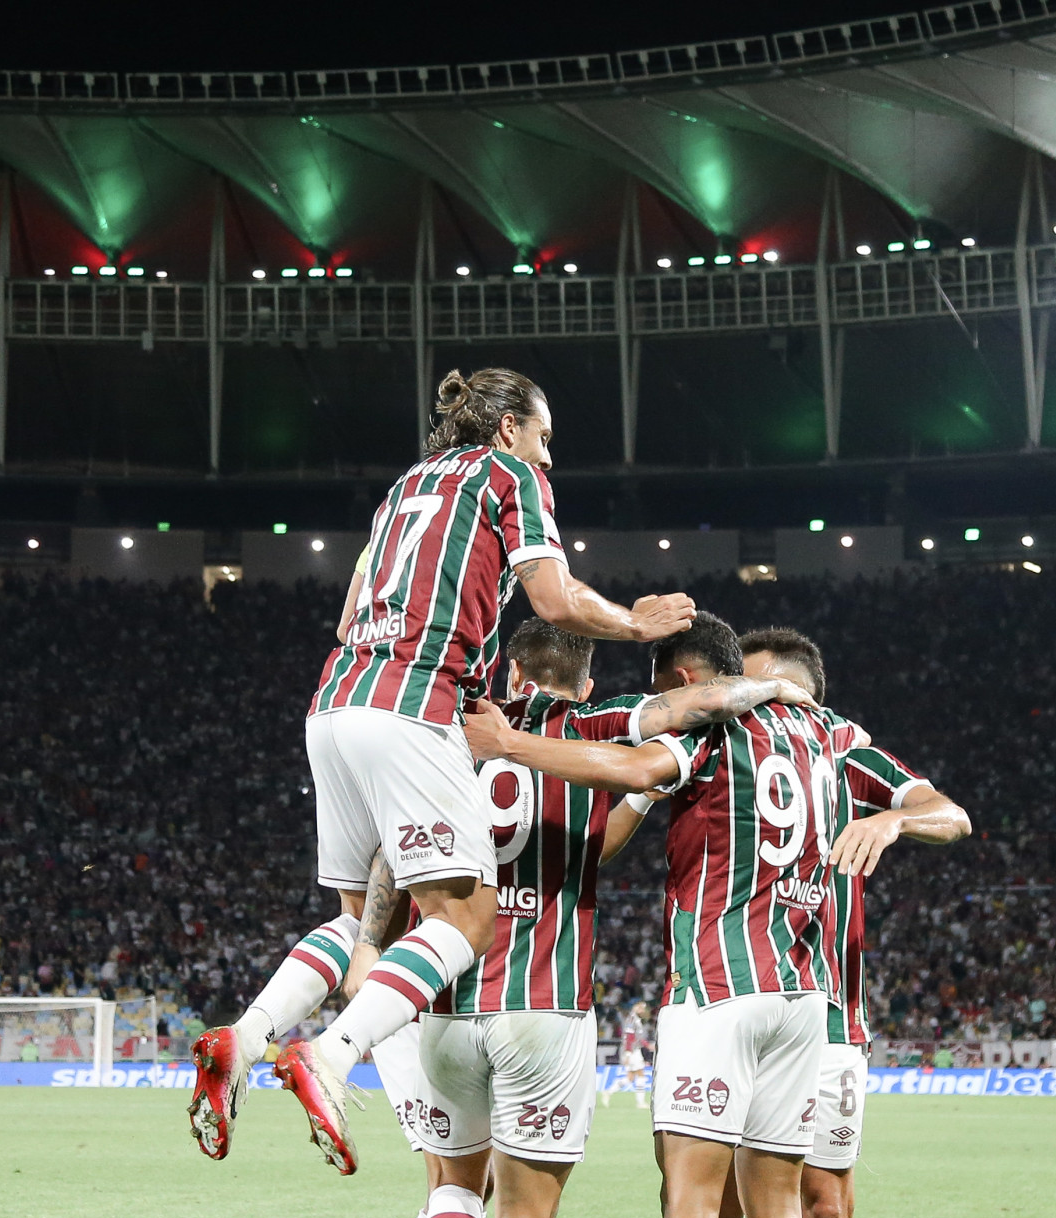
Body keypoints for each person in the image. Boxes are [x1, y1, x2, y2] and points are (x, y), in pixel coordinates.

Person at [186, 366, 695, 1171]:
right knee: (463, 922)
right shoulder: (511, 477)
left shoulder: (404, 488)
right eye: (544, 436)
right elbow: (555, 600)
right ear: (508, 430)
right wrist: (636, 621)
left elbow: (352, 610)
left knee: (364, 925)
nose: (549, 457)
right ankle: (329, 1054)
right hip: (414, 708)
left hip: (334, 701)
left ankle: (244, 1035)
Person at [377, 618, 805, 1218]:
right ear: (582, 675)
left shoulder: (447, 732)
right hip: (545, 1002)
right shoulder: (591, 723)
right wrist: (774, 691)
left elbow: (390, 854)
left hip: (443, 998)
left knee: (456, 1190)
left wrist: (366, 953)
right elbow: (701, 700)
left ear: (511, 665)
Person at [732, 627, 970, 1218]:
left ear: (806, 696)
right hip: (728, 1002)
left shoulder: (843, 752)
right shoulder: (724, 745)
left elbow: (951, 813)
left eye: (764, 690)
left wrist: (895, 823)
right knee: (717, 1204)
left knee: (824, 1205)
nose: (750, 703)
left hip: (827, 1017)